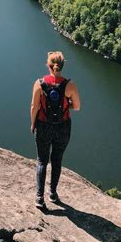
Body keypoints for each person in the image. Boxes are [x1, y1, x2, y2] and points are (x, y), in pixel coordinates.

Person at [30, 51, 81, 210]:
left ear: (49, 65)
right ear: (62, 66)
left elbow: (34, 107)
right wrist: (67, 105)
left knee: (42, 160)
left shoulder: (39, 83)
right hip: (62, 127)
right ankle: (52, 193)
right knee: (57, 160)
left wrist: (33, 124)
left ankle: (39, 198)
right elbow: (77, 107)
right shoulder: (70, 85)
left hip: (43, 125)